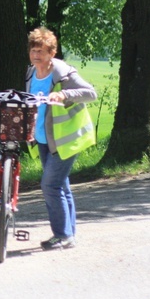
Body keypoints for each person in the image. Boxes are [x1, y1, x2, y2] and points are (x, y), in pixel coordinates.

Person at [26, 27, 97, 250]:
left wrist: (65, 94)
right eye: (33, 50)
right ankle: (69, 235)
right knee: (61, 187)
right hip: (44, 140)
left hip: (66, 140)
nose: (36, 55)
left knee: (50, 185)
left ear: (52, 53)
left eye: (41, 51)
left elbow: (90, 93)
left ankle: (62, 235)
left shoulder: (63, 73)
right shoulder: (30, 73)